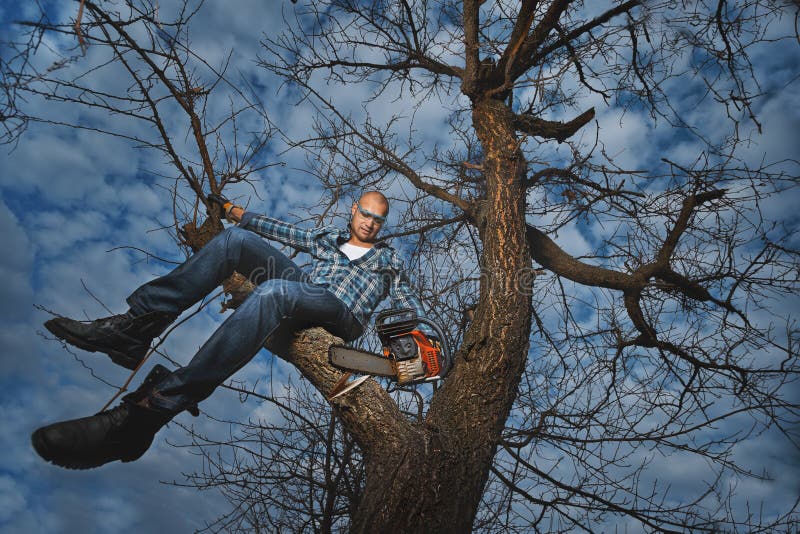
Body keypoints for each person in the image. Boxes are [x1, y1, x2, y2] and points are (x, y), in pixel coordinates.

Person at [32, 191, 428, 469]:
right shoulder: (327, 239)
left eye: (379, 219)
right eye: (366, 213)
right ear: (353, 211)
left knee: (273, 292)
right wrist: (235, 212)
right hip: (301, 290)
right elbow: (281, 231)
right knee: (236, 241)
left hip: (340, 312)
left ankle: (154, 408)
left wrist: (418, 345)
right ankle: (137, 327)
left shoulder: (389, 260)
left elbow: (408, 303)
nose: (370, 222)